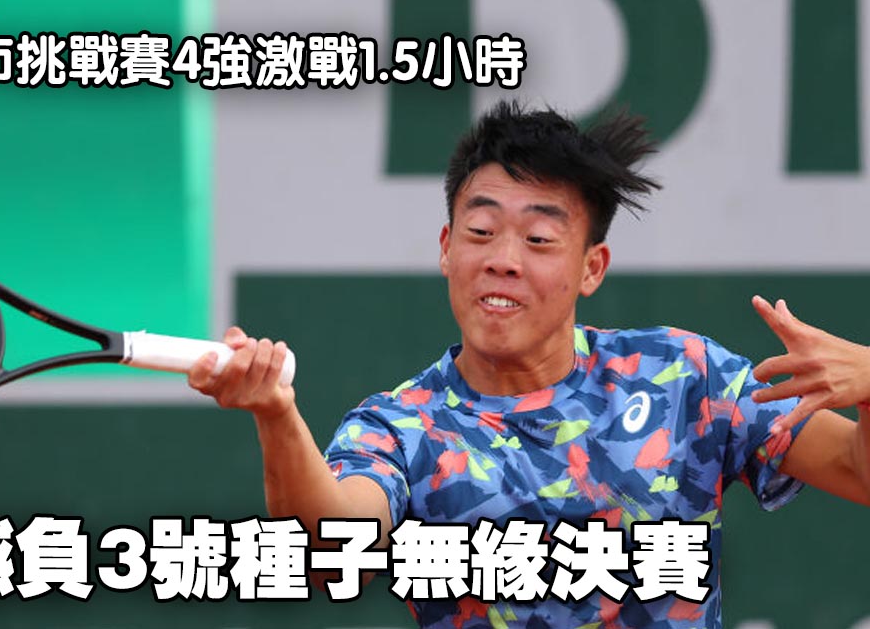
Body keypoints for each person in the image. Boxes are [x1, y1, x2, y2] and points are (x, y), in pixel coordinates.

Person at [187, 100, 870, 628]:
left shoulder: (683, 375)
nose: (503, 259)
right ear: (447, 248)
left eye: (539, 239)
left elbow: (857, 470)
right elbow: (331, 556)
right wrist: (276, 414)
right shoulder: (401, 428)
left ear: (591, 268)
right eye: (481, 232)